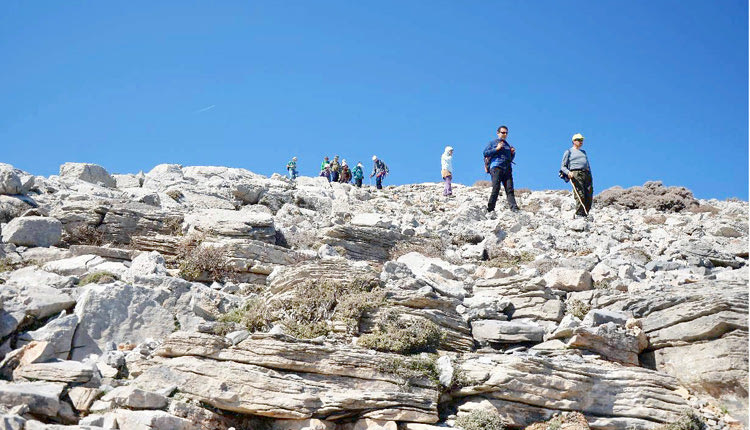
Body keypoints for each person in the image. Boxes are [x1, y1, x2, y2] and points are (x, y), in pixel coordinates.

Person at [483, 125, 519, 212]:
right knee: (496, 187)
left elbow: (510, 158)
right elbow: (485, 153)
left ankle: (514, 208)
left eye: (506, 133)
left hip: (507, 168)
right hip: (496, 167)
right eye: (503, 132)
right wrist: (497, 148)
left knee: (509, 189)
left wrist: (512, 153)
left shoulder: (507, 145)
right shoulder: (492, 143)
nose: (505, 134)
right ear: (498, 133)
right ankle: (490, 209)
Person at [561, 133, 593, 218]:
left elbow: (587, 164)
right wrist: (568, 172)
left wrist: (589, 173)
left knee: (589, 194)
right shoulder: (569, 151)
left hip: (586, 174)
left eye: (582, 140)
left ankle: (586, 213)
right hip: (576, 173)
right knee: (580, 194)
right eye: (579, 140)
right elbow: (563, 167)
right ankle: (579, 214)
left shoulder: (583, 152)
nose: (581, 142)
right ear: (574, 141)